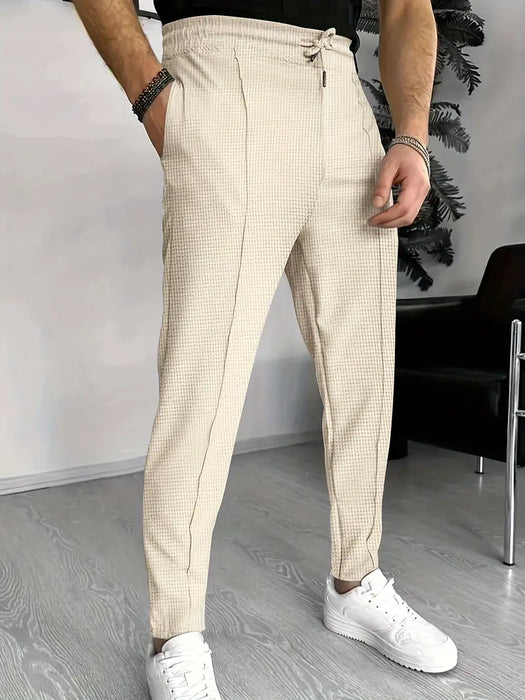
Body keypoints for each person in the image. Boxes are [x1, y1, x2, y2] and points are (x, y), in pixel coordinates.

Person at [71, 1, 457, 698]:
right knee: (202, 381)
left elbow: (406, 6)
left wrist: (411, 135)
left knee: (362, 372)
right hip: (221, 75)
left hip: (341, 94)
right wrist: (153, 97)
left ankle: (356, 580)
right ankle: (175, 633)